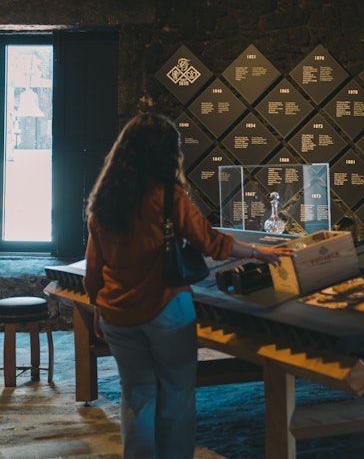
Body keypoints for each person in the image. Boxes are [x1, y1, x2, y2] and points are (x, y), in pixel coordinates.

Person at [82, 113, 292, 459]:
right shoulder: (168, 196)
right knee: (177, 393)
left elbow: (94, 268)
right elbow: (211, 242)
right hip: (166, 309)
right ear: (165, 152)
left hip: (116, 314)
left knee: (136, 394)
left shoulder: (104, 202)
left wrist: (96, 308)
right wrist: (258, 252)